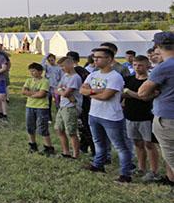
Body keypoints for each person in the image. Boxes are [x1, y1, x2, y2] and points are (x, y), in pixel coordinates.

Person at [81, 47, 134, 183]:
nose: (95, 59)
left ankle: (125, 174)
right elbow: (82, 90)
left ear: (109, 59)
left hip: (111, 116)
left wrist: (91, 92)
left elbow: (106, 96)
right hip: (94, 114)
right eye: (94, 57)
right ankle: (98, 165)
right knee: (98, 142)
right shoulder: (93, 74)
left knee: (120, 146)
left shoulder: (115, 77)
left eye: (99, 57)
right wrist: (98, 91)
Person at [138, 32, 174, 186]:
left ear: (158, 47)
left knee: (171, 156)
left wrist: (155, 92)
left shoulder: (164, 67)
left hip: (168, 119)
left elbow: (142, 92)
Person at [122, 55, 159, 182]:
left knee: (149, 144)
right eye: (135, 65)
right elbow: (122, 94)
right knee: (137, 143)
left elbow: (146, 98)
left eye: (140, 65)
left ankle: (154, 171)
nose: (137, 67)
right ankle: (141, 167)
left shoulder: (150, 81)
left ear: (147, 66)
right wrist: (136, 95)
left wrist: (129, 92)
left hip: (146, 117)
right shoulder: (128, 79)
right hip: (130, 115)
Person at [22, 63, 54, 155]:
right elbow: (23, 91)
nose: (32, 73)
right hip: (30, 106)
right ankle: (33, 145)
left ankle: (48, 147)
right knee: (30, 126)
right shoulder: (29, 80)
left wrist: (30, 93)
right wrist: (35, 93)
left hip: (41, 107)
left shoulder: (45, 81)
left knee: (42, 127)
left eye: (34, 71)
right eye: (30, 71)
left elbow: (42, 94)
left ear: (40, 72)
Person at [55, 56, 82, 159]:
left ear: (70, 64)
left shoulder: (75, 78)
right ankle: (66, 152)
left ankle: (75, 155)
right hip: (62, 106)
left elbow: (67, 93)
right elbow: (57, 89)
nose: (62, 69)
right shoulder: (65, 76)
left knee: (71, 131)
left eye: (63, 66)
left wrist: (63, 91)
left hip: (71, 107)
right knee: (59, 129)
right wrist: (62, 91)